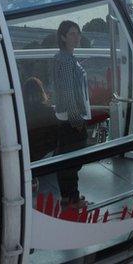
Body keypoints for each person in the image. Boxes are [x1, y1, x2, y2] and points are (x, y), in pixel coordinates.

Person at [52, 20, 91, 203]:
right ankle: (73, 199)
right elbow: (67, 91)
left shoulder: (60, 57)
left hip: (64, 116)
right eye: (72, 34)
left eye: (78, 33)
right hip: (71, 117)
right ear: (63, 37)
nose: (77, 37)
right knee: (73, 159)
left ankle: (67, 197)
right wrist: (76, 120)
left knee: (66, 157)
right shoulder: (67, 60)